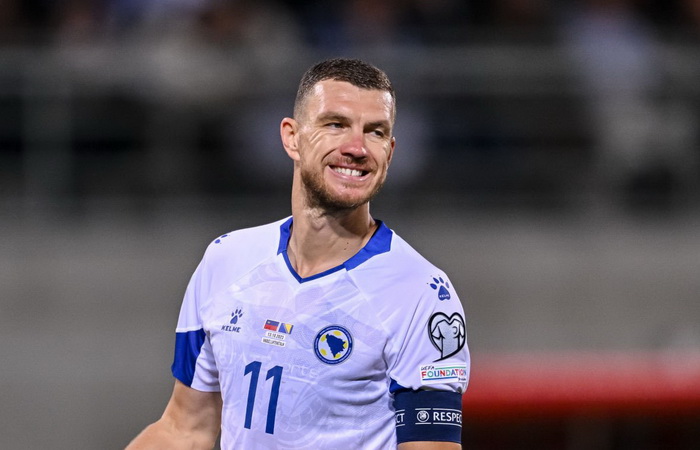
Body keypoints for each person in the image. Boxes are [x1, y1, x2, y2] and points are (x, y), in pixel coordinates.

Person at [126, 58, 469, 449]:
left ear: (389, 152)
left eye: (375, 132)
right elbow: (185, 428)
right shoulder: (226, 260)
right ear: (292, 138)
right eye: (335, 124)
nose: (357, 148)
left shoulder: (421, 293)